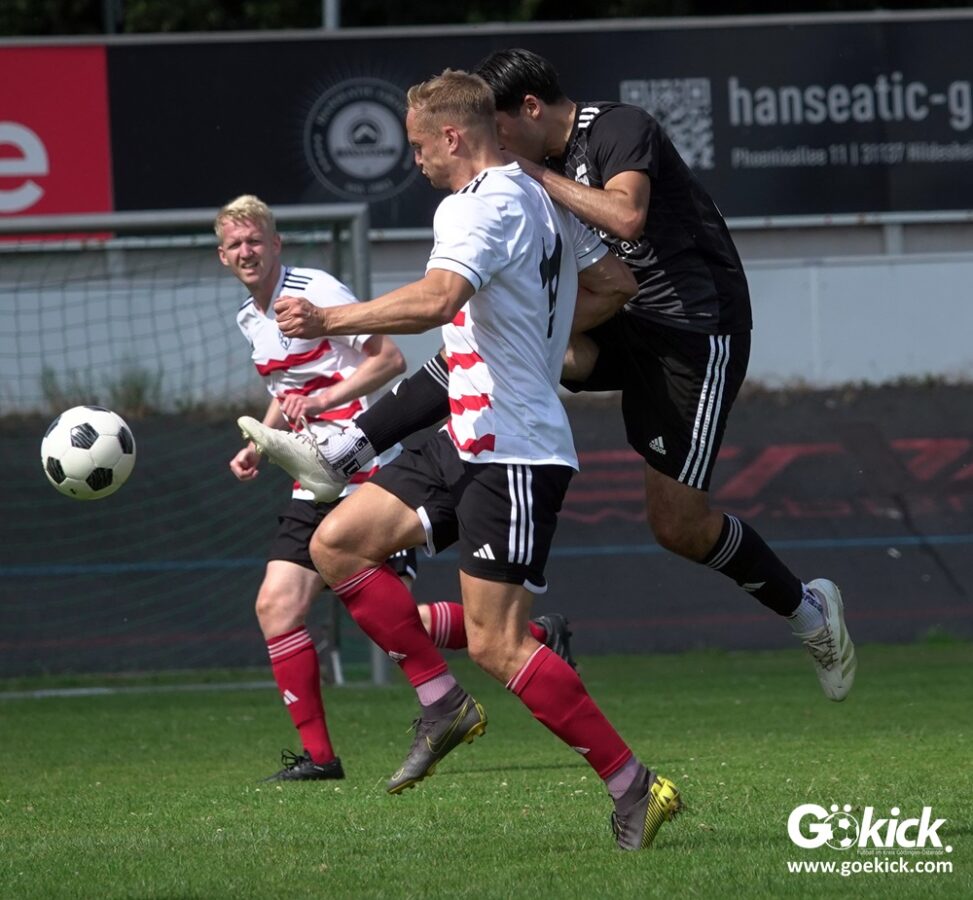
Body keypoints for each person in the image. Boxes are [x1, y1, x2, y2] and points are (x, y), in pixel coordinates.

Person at [253, 48, 857, 704]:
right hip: (618, 317)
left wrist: (530, 174)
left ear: (531, 109)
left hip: (692, 333)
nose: (495, 145)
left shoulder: (617, 128)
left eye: (501, 131)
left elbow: (626, 217)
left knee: (678, 525)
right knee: (485, 346)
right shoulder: (509, 187)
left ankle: (806, 609)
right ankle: (349, 450)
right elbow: (610, 281)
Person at [240, 69, 681, 851]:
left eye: (418, 146)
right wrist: (362, 436)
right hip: (466, 436)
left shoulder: (477, 204)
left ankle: (634, 787)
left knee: (498, 644)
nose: (414, 161)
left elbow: (436, 301)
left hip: (514, 450)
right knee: (336, 544)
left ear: (451, 137)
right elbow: (612, 280)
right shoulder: (539, 195)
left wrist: (328, 320)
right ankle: (441, 703)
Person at [222, 195, 578, 782]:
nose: (246, 251)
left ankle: (527, 641)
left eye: (255, 240)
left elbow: (387, 359)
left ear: (276, 243)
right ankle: (320, 758)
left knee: (388, 617)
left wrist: (327, 401)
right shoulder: (248, 319)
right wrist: (261, 441)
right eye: (235, 244)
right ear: (222, 255)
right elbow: (290, 392)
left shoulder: (315, 290)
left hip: (364, 466)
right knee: (276, 606)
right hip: (311, 477)